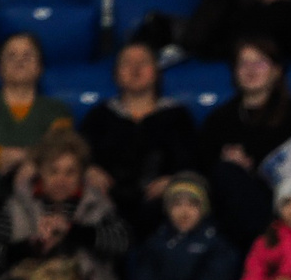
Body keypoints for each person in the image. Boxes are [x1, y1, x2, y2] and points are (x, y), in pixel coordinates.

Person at [0, 128, 128, 280]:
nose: (61, 179)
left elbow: (122, 243)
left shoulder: (98, 205)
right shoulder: (16, 206)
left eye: (70, 172)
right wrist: (30, 246)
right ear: (40, 171)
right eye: (54, 171)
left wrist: (72, 232)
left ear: (81, 174)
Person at [0, 33, 75, 242]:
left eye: (27, 56)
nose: (19, 61)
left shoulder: (57, 111)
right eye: (11, 56)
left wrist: (6, 156)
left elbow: (58, 154)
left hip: (38, 199)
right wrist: (30, 156)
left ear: (40, 68)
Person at [197, 37, 291, 245]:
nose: (251, 69)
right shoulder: (219, 119)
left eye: (260, 63)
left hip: (282, 202)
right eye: (243, 63)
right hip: (230, 207)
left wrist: (253, 168)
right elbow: (202, 165)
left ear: (276, 71)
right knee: (226, 174)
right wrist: (228, 163)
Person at [78, 41, 204, 240]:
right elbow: (76, 154)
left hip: (162, 208)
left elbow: (194, 162)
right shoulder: (99, 116)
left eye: (143, 62)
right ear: (116, 74)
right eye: (127, 63)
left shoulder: (177, 116)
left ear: (156, 71)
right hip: (107, 206)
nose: (135, 68)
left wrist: (173, 180)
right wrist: (88, 169)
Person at [126, 174, 241, 280]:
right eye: (177, 204)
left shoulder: (216, 242)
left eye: (192, 204)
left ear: (203, 209)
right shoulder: (155, 241)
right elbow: (143, 279)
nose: (184, 211)